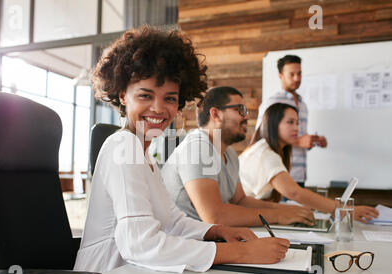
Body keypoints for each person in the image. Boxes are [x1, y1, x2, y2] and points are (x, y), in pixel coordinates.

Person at [73, 26, 290, 274]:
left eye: (169, 98)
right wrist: (242, 252)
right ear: (123, 96)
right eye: (145, 95)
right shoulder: (124, 145)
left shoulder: (144, 152)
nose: (158, 108)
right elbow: (139, 243)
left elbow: (171, 220)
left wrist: (215, 231)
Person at [161, 86, 315, 227]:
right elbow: (215, 217)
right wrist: (278, 215)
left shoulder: (229, 154)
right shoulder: (197, 147)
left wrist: (286, 210)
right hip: (184, 244)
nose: (246, 117)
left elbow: (240, 201)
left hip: (207, 240)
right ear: (216, 114)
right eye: (240, 110)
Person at [239, 102, 379, 223]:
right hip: (242, 218)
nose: (296, 128)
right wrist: (343, 210)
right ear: (274, 124)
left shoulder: (265, 149)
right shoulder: (266, 154)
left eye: (297, 123)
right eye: (290, 122)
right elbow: (294, 192)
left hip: (249, 215)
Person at [256, 55, 327, 188]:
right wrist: (299, 141)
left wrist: (312, 141)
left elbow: (295, 137)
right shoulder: (273, 102)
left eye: (299, 73)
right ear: (280, 76)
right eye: (292, 74)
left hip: (300, 174)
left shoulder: (303, 105)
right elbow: (261, 136)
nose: (297, 78)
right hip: (278, 173)